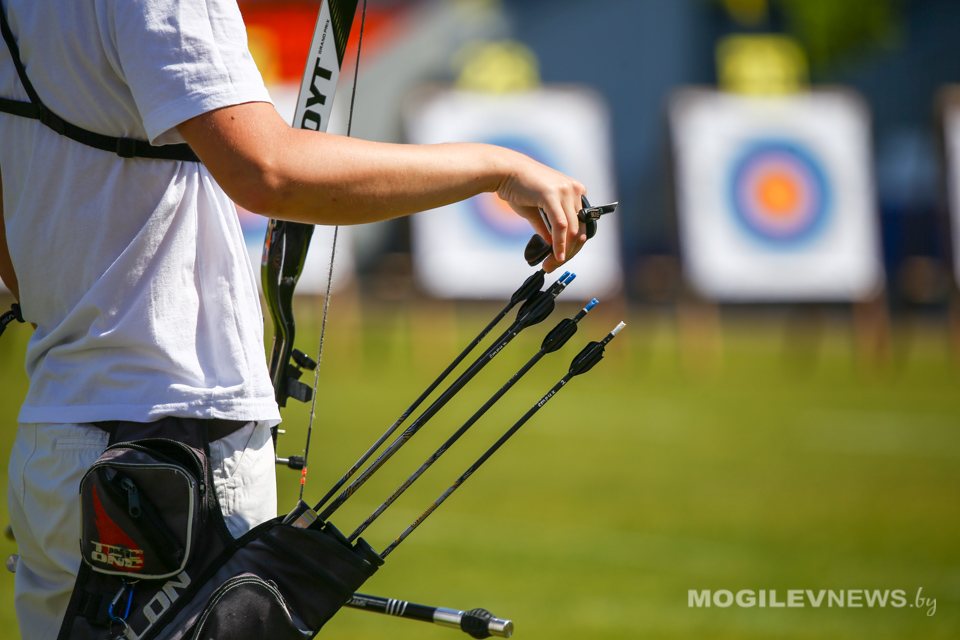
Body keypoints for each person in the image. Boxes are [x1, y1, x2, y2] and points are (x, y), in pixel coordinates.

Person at [0, 0, 588, 638]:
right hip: (172, 449)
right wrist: (494, 169)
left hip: (56, 443)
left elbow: (12, 247)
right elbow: (268, 171)